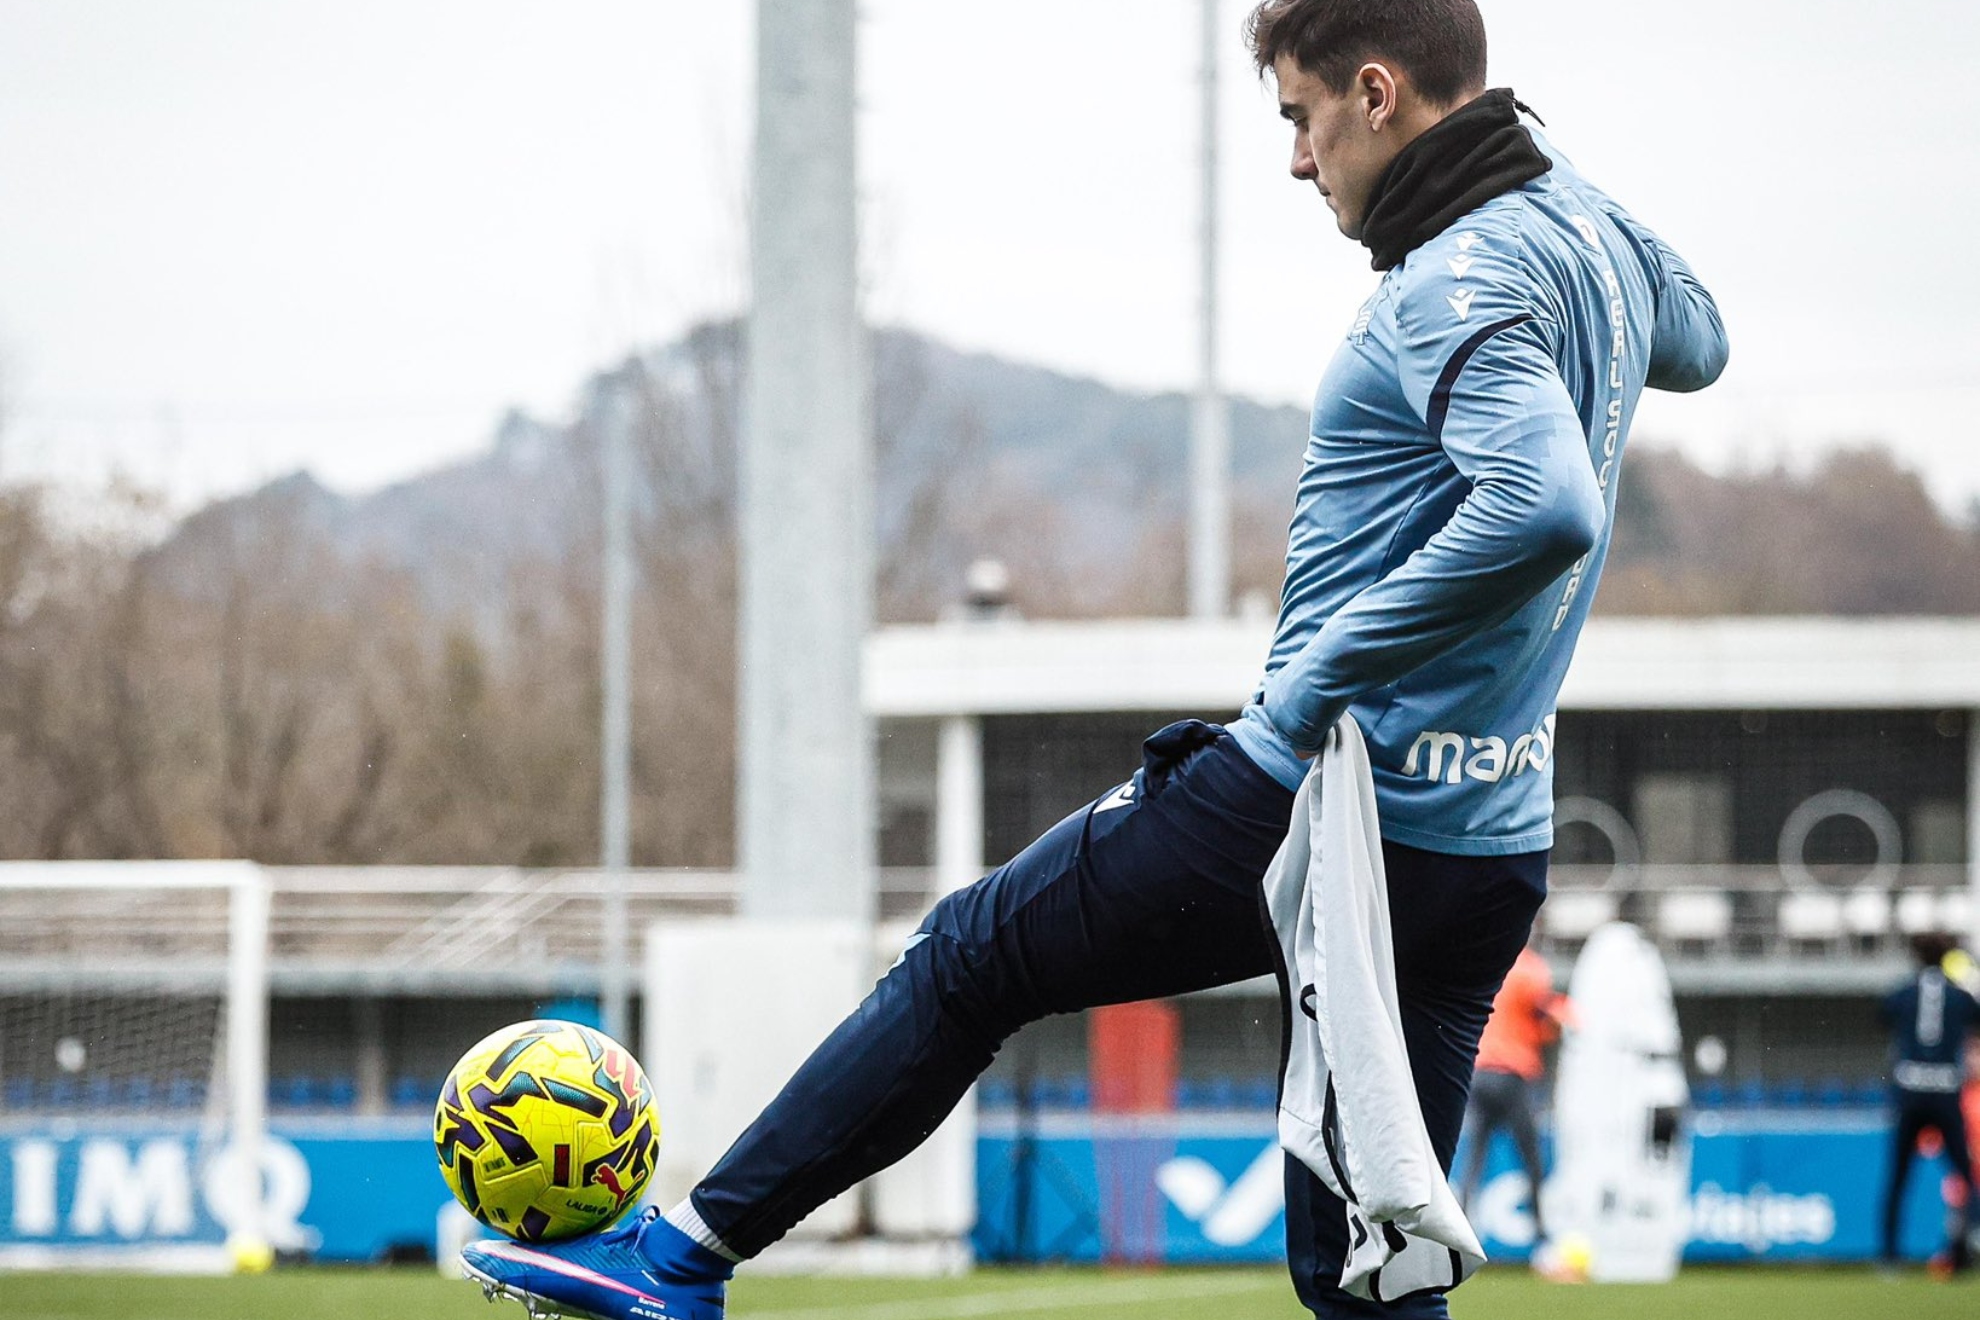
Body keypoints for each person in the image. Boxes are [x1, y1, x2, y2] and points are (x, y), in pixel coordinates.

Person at [462, 2, 1726, 1316]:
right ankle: (677, 1264)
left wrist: (1312, 686)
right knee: (1367, 1277)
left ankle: (675, 1263)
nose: (1298, 159)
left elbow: (1544, 506)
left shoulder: (1455, 276)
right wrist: (1540, 167)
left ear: (1375, 92)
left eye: (1302, 117)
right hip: (1485, 846)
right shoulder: (1571, 236)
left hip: (1333, 804)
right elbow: (1700, 337)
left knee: (971, 959)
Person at [1456, 941, 1568, 1253]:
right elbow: (1547, 1016)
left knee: (1473, 1161)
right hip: (1513, 1074)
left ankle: (1458, 1236)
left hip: (1479, 1072)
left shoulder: (1486, 959)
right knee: (1531, 1159)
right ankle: (1542, 1237)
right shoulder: (1530, 967)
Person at [1880, 931, 1980, 1271]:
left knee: (1898, 1178)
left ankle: (1890, 1256)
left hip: (1910, 1092)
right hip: (1945, 1093)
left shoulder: (1905, 993)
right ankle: (1967, 1245)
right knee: (1965, 1174)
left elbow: (1883, 1014)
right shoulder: (1958, 995)